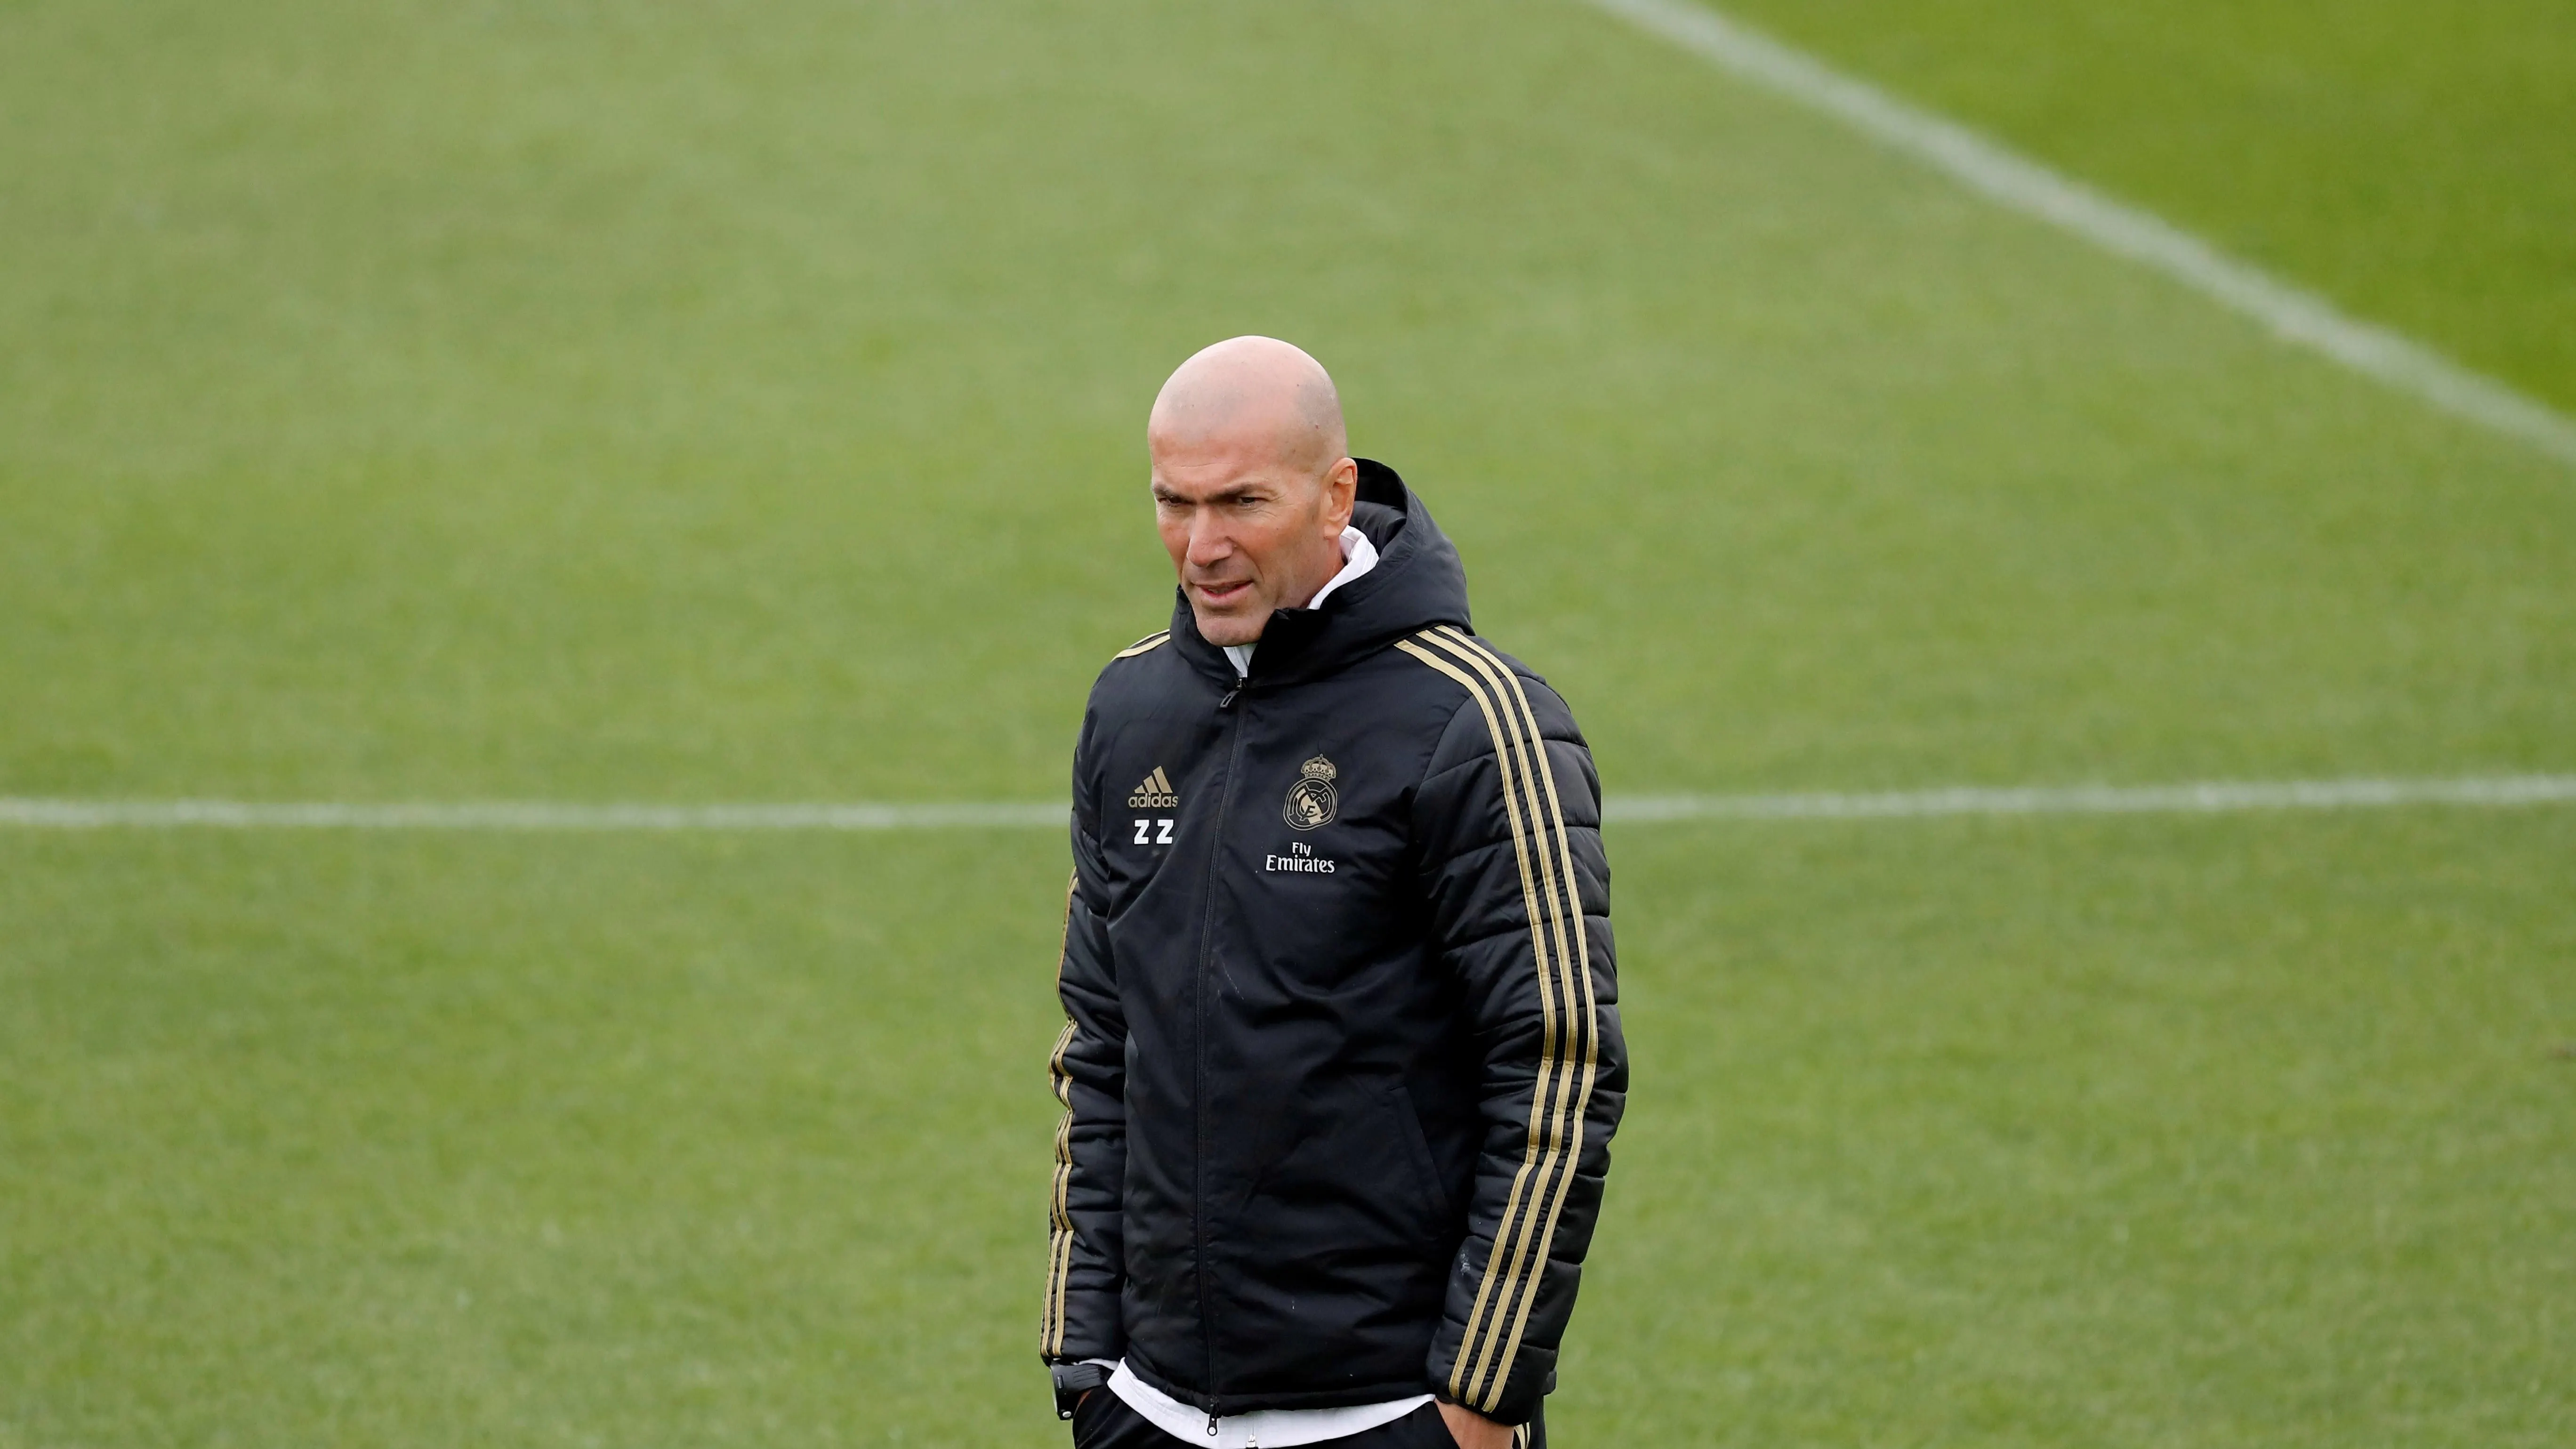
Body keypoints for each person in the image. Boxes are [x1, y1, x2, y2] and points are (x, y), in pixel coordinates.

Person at [1042, 337, 1626, 1449]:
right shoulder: (1131, 712)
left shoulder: (1476, 723)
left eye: (1242, 504)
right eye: (1174, 503)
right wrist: (1087, 1361)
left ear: (1335, 495)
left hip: (1391, 1412)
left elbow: (1559, 1065)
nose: (1201, 548)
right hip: (1151, 1408)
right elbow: (1100, 1041)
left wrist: (1477, 1403)